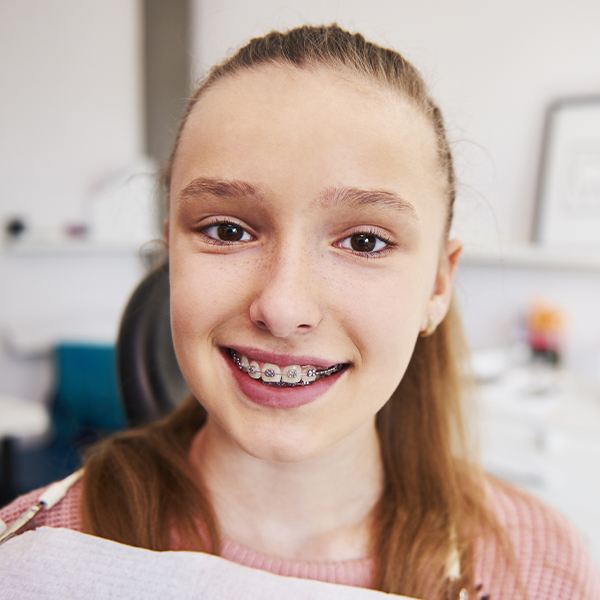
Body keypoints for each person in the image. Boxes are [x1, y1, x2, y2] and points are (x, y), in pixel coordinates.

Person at [1, 24, 599, 599]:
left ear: (438, 285)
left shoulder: (539, 567)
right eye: (228, 230)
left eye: (364, 242)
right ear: (171, 255)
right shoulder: (32, 554)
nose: (283, 309)